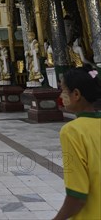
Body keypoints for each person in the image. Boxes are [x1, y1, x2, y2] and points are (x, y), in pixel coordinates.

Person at [53, 66, 101, 220]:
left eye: (63, 90)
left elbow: (77, 196)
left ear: (76, 94)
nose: (61, 95)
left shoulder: (72, 131)